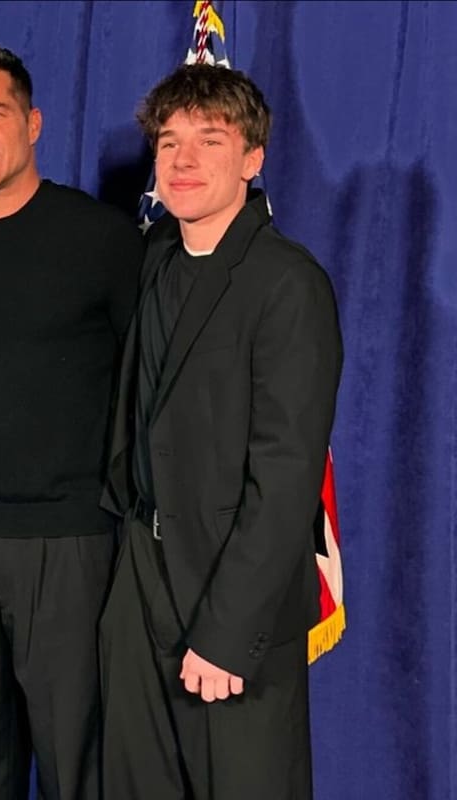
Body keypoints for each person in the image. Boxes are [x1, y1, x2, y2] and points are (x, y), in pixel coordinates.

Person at [0, 42, 144, 799]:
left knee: (81, 767)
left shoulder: (104, 241)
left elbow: (151, 393)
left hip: (72, 546)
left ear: (34, 123)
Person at [99, 63, 343, 800]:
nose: (183, 160)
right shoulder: (151, 260)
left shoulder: (287, 282)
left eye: (209, 140)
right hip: (141, 578)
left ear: (253, 158)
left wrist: (226, 632)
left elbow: (287, 477)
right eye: (169, 142)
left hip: (235, 599)